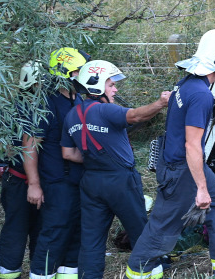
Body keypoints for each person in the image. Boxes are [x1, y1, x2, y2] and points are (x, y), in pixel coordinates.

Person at [126, 29, 215, 279]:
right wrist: (201, 188)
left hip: (180, 165)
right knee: (162, 231)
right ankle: (136, 274)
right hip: (182, 170)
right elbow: (192, 145)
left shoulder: (186, 83)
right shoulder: (200, 95)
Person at [60, 60, 171, 279]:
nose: (115, 89)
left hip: (91, 182)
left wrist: (96, 159)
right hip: (121, 181)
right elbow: (137, 116)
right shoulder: (105, 110)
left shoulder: (71, 115)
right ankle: (148, 274)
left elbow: (68, 153)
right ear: (97, 86)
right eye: (111, 84)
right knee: (140, 231)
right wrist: (160, 103)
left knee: (91, 240)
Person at [25, 48, 89, 279]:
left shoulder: (77, 98)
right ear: (67, 73)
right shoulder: (47, 103)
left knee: (76, 233)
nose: (84, 74)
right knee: (54, 233)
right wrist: (34, 184)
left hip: (78, 180)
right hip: (56, 181)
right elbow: (30, 143)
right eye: (79, 70)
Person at [0, 61, 42, 279]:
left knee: (37, 229)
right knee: (17, 229)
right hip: (19, 180)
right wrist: (5, 147)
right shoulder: (9, 106)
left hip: (39, 181)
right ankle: (10, 273)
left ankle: (36, 271)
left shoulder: (46, 105)